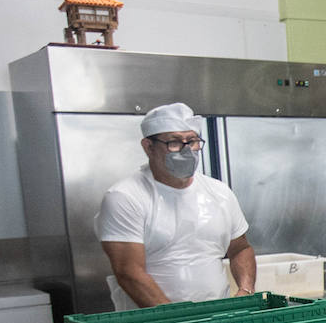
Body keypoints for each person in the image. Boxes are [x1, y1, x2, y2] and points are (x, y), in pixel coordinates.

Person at [95, 102, 255, 310]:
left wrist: (245, 291)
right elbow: (129, 273)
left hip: (217, 321)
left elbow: (241, 248)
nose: (186, 150)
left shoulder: (219, 193)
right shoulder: (125, 197)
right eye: (174, 143)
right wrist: (178, 320)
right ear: (148, 147)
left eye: (193, 141)